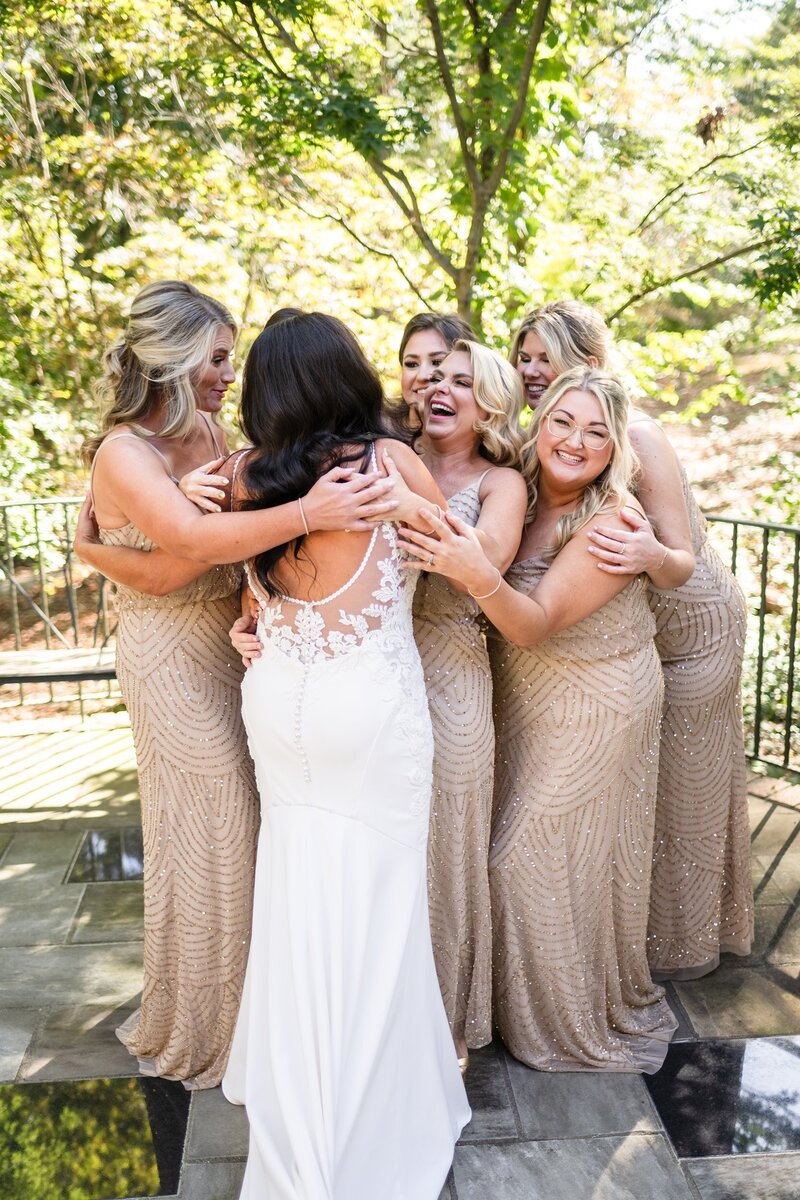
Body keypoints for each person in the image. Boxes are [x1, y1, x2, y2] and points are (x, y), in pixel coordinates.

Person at [77, 281, 398, 1089]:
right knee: (214, 822)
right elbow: (182, 553)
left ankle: (269, 1014)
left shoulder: (212, 430)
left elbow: (233, 537)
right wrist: (308, 512)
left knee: (258, 824)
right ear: (176, 361)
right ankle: (209, 1024)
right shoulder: (125, 451)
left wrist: (260, 597)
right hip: (171, 658)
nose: (231, 374)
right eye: (218, 358)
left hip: (238, 647)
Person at [220, 312, 470, 1199]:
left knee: (297, 899)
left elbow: (243, 580)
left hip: (278, 702)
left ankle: (299, 1114)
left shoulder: (244, 476)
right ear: (349, 376)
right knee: (377, 907)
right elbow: (457, 555)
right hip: (368, 709)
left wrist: (248, 620)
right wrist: (413, 502)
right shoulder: (386, 462)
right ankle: (368, 1122)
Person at [398, 367, 677, 1072]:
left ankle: (564, 1023)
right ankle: (515, 1013)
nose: (576, 442)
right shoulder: (514, 489)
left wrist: (474, 572)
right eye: (563, 422)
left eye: (596, 433)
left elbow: (534, 623)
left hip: (596, 698)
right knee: (549, 859)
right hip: (524, 700)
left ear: (615, 450)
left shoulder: (612, 522)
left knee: (521, 858)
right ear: (538, 422)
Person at [510, 300, 753, 979]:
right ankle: (625, 944)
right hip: (629, 625)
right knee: (643, 787)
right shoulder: (541, 433)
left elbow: (679, 556)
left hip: (691, 624)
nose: (530, 370)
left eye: (544, 358)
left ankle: (684, 947)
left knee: (685, 786)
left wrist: (647, 550)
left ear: (588, 365)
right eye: (523, 356)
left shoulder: (634, 435)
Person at [411, 340, 526, 1065]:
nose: (439, 388)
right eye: (432, 376)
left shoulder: (501, 483)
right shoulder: (384, 452)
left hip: (453, 673)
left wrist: (401, 495)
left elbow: (480, 566)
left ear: (490, 404)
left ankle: (447, 1018)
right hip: (373, 663)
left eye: (462, 381)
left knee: (449, 842)